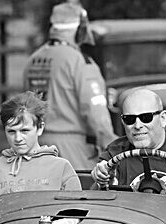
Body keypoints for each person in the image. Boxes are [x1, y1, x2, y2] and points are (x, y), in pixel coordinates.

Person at [23, 2, 116, 171]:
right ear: (80, 28)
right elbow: (96, 114)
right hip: (73, 152)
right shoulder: (80, 62)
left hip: (35, 146)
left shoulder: (33, 60)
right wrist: (113, 148)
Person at [0, 91, 81, 204]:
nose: (18, 138)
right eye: (11, 131)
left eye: (24, 131)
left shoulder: (61, 167)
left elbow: (74, 212)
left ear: (40, 128)